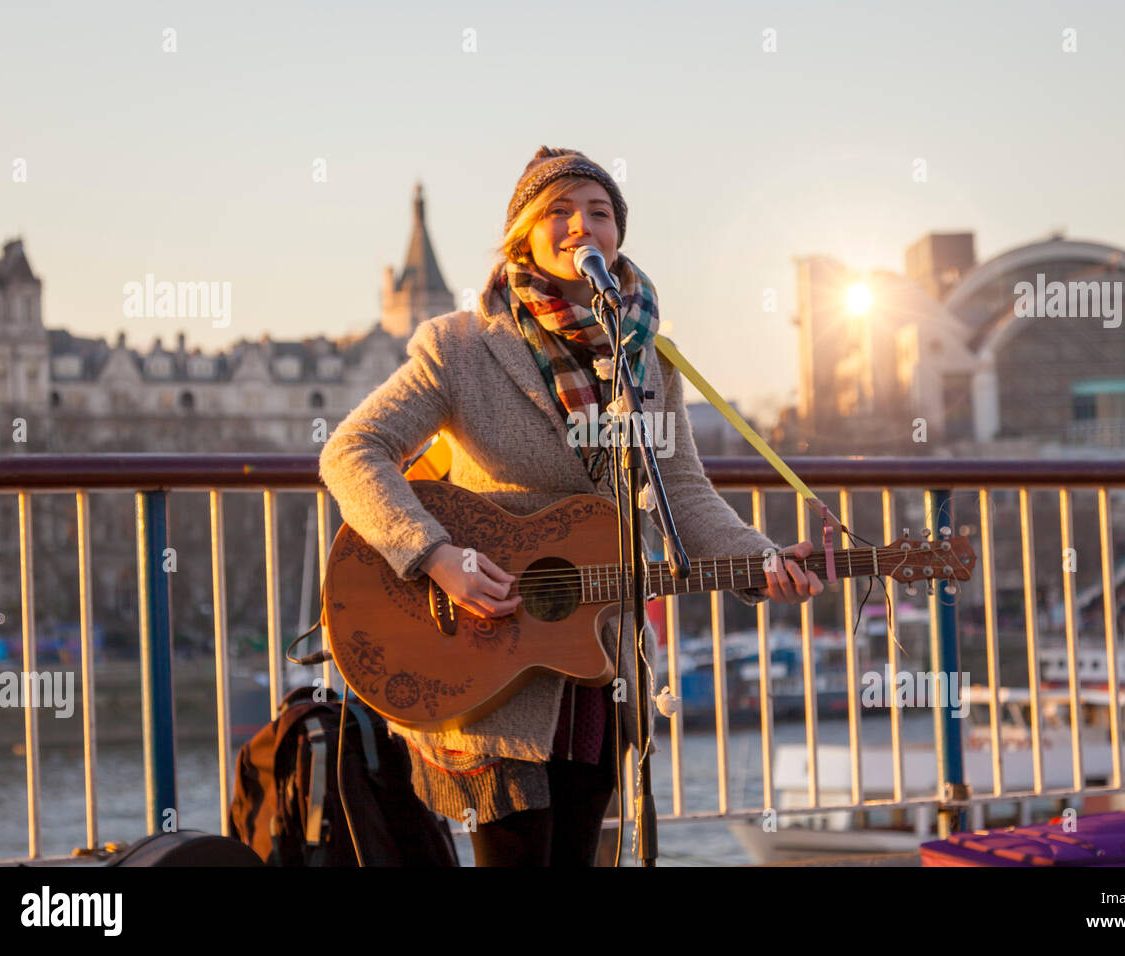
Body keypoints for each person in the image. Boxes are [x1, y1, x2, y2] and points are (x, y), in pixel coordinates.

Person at [319, 146, 823, 866]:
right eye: (558, 212)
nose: (581, 226)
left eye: (600, 213)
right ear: (521, 235)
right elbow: (351, 449)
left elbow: (681, 493)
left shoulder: (648, 359)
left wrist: (763, 562)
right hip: (485, 656)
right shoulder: (460, 347)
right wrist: (435, 555)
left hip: (600, 659)